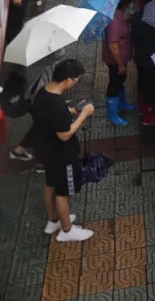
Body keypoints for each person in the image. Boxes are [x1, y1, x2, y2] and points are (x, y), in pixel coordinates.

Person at [32, 59, 95, 241]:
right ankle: (66, 231)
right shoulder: (57, 104)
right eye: (76, 80)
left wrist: (72, 111)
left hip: (46, 150)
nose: (76, 83)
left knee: (50, 184)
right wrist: (83, 114)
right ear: (67, 80)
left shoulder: (42, 94)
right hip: (62, 155)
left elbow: (50, 118)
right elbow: (65, 135)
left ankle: (53, 221)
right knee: (63, 192)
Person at [101, 0, 136, 126]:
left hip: (121, 58)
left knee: (120, 80)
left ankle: (122, 104)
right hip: (116, 60)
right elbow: (113, 45)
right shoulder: (114, 20)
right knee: (114, 84)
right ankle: (112, 115)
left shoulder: (119, 15)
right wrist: (120, 64)